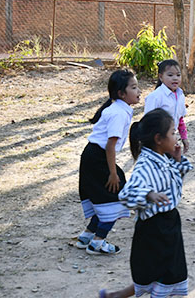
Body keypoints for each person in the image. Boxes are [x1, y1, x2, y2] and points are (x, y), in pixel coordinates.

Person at [99, 109, 193, 298]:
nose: (176, 137)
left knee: (164, 273)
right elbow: (126, 194)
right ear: (159, 139)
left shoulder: (163, 158)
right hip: (154, 230)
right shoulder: (145, 165)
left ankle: (115, 296)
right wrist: (149, 194)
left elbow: (174, 183)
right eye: (172, 133)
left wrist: (177, 159)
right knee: (160, 274)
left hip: (169, 225)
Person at [76, 69, 141, 255]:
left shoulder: (118, 109)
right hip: (99, 158)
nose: (139, 91)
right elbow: (110, 145)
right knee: (116, 199)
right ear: (121, 93)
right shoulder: (118, 113)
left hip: (93, 156)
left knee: (102, 197)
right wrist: (113, 173)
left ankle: (86, 236)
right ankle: (97, 242)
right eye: (134, 87)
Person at [144, 59, 189, 153]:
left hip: (171, 140)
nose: (175, 78)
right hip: (157, 142)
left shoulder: (180, 96)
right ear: (161, 77)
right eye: (170, 75)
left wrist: (184, 137)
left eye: (178, 75)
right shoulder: (155, 97)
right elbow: (148, 122)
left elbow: (180, 119)